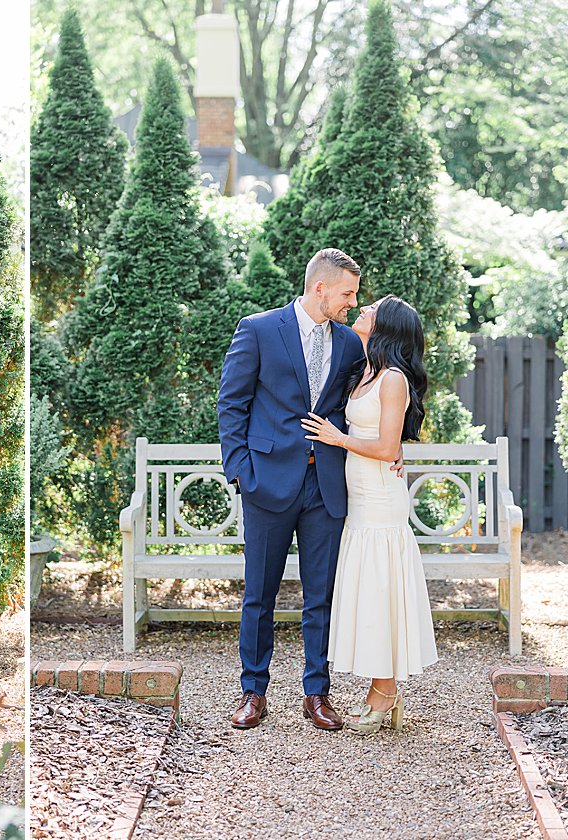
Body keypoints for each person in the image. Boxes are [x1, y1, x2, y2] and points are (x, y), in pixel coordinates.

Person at [217, 248, 402, 731]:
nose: (351, 302)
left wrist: (396, 444)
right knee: (259, 594)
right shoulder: (257, 329)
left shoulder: (348, 345)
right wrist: (240, 471)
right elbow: (231, 404)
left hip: (326, 487)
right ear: (320, 288)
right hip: (267, 483)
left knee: (320, 595)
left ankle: (316, 694)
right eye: (347, 293)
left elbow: (383, 390)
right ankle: (252, 691)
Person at [301, 294, 439, 734]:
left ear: (388, 327)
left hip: (380, 498)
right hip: (358, 499)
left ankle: (385, 690)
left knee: (382, 591)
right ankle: (381, 687)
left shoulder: (393, 379)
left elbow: (383, 447)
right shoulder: (366, 370)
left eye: (372, 309)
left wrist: (335, 437)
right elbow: (386, 439)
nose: (362, 310)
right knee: (369, 590)